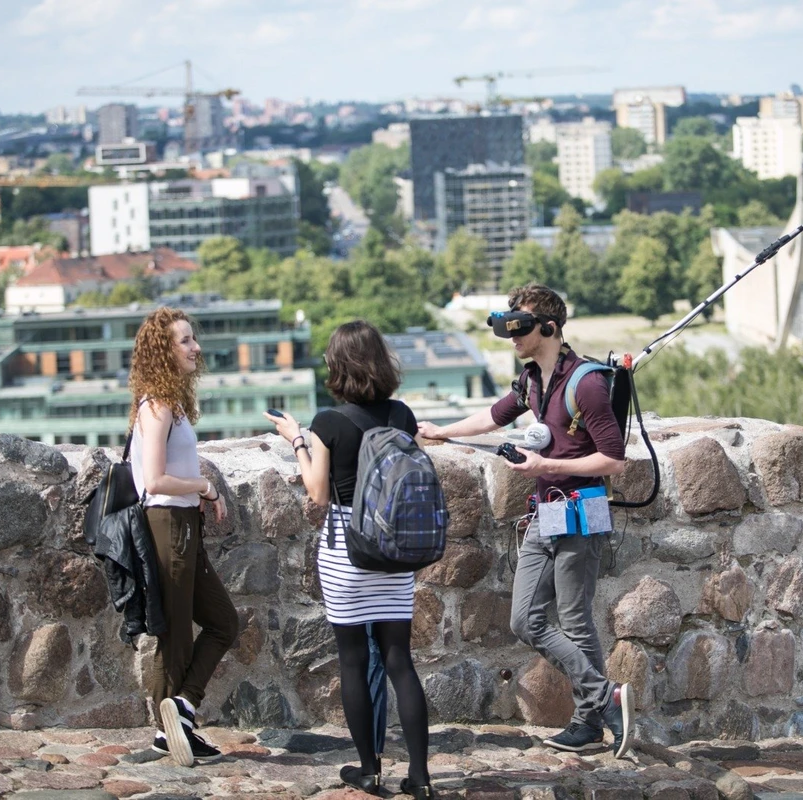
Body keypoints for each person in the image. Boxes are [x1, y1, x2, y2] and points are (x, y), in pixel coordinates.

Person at [418, 283, 634, 758]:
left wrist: (546, 467)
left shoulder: (588, 384)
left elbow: (614, 460)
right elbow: (494, 417)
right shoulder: (532, 379)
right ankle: (605, 698)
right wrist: (440, 431)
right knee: (525, 620)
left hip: (582, 508)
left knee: (576, 621)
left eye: (521, 326)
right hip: (546, 511)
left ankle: (587, 722)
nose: (513, 337)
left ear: (550, 327)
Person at [267, 320, 433, 799]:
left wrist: (296, 440)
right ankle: (420, 778)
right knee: (401, 660)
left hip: (347, 552)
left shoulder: (329, 422)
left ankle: (368, 769)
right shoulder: (400, 415)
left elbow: (317, 494)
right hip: (394, 550)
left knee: (353, 659)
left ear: (337, 366)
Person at [128, 307, 236, 768]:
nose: (195, 348)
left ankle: (181, 713)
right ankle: (170, 730)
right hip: (167, 526)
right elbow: (154, 480)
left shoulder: (169, 405)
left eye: (193, 339)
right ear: (163, 350)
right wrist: (205, 487)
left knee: (223, 622)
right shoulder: (157, 406)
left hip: (184, 527)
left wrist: (199, 494)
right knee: (174, 639)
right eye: (185, 341)